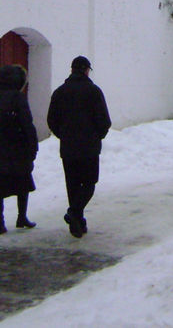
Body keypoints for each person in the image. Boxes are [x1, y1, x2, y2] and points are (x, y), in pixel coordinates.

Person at [47, 55, 111, 238]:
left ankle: (77, 222)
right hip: (89, 147)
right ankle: (75, 213)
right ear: (86, 70)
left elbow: (51, 120)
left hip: (68, 147)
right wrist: (97, 136)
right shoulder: (94, 91)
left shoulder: (60, 92)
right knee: (89, 183)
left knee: (73, 184)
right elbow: (104, 120)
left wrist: (64, 135)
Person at [0, 64, 38, 234]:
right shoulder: (18, 98)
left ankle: (0, 223)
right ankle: (22, 216)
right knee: (21, 183)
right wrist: (32, 145)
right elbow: (27, 124)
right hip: (17, 149)